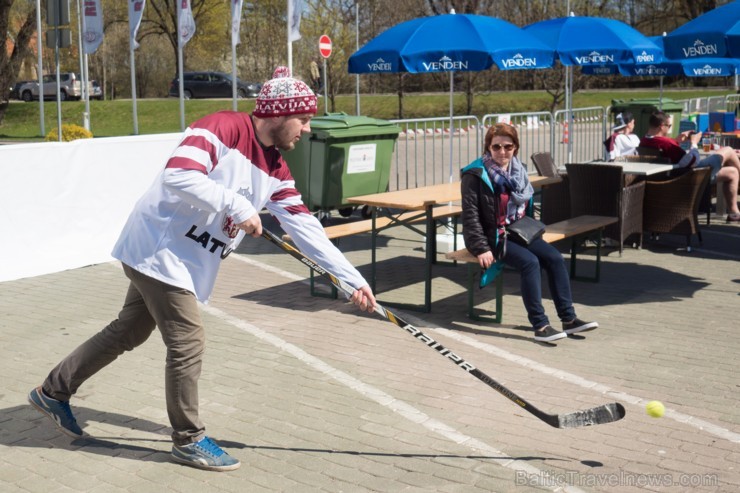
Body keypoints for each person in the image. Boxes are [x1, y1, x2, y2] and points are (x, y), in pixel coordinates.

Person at [28, 66, 376, 472]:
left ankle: (53, 391)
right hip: (159, 249)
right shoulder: (222, 127)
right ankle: (188, 439)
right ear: (280, 114)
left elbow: (306, 229)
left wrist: (353, 280)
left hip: (182, 262)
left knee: (129, 330)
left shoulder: (277, 170)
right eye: (303, 119)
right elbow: (178, 175)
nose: (307, 129)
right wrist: (239, 205)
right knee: (187, 342)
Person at [460, 123, 598, 343]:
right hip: (492, 236)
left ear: (516, 147)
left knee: (554, 258)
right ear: (488, 148)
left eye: (508, 146)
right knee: (530, 262)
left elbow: (526, 206)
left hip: (519, 230)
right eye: (496, 147)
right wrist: (481, 248)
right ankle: (541, 325)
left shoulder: (518, 170)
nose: (502, 152)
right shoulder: (474, 174)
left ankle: (569, 319)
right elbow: (470, 215)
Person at [640, 111, 740, 223]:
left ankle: (734, 213)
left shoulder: (644, 140)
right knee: (729, 150)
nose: (669, 129)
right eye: (669, 126)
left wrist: (676, 141)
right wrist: (694, 143)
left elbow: (667, 150)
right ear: (661, 126)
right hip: (692, 175)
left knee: (733, 172)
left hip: (674, 178)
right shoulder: (666, 143)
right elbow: (692, 161)